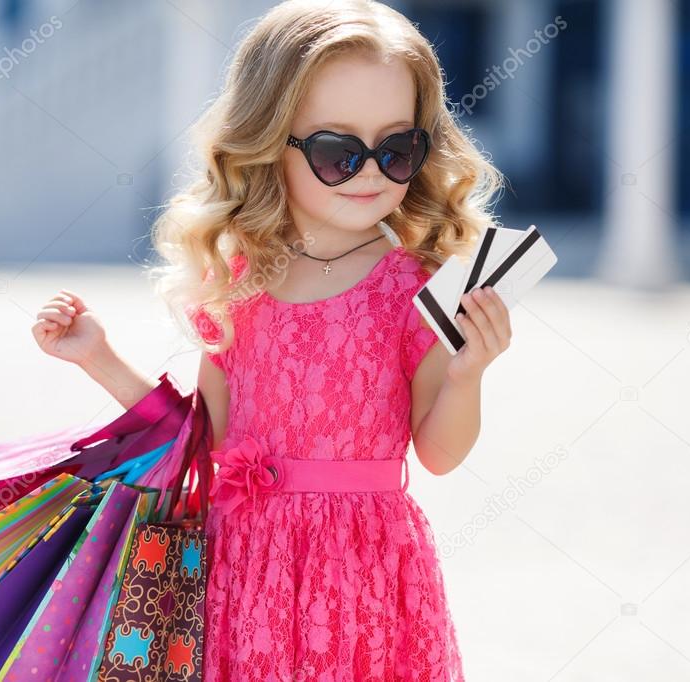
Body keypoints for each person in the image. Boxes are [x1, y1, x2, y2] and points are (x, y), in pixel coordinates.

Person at [33, 1, 511, 678]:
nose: (370, 172)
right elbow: (201, 442)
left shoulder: (415, 286)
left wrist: (468, 375)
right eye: (336, 152)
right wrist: (96, 357)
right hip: (238, 570)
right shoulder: (238, 283)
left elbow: (437, 454)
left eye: (396, 149)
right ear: (269, 139)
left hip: (366, 578)